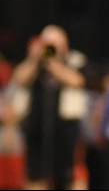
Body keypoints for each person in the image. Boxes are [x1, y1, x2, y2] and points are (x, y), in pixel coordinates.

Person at [11, 25, 86, 190]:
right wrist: (34, 58)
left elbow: (77, 81)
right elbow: (20, 79)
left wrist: (53, 63)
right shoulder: (36, 63)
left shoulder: (75, 59)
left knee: (70, 176)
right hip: (37, 128)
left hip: (66, 131)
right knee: (36, 176)